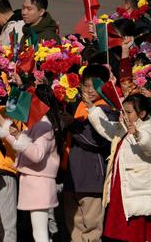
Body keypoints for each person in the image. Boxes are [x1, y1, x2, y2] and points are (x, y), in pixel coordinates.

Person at [0, 84, 62, 242]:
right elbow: (20, 144)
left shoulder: (43, 124)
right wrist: (3, 122)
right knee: (38, 232)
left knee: (40, 233)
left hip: (39, 183)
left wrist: (18, 136)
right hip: (34, 182)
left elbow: (36, 155)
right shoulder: (38, 123)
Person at [63, 64, 119, 242]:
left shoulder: (108, 110)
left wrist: (73, 124)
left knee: (92, 229)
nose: (90, 90)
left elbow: (96, 141)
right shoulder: (77, 106)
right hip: (73, 177)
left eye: (95, 85)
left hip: (92, 177)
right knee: (74, 228)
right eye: (86, 85)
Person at [87, 93, 151, 242]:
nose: (124, 115)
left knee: (136, 235)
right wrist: (91, 108)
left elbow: (148, 144)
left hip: (136, 191)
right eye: (123, 111)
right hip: (121, 189)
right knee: (120, 235)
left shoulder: (147, 127)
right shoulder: (124, 127)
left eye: (129, 112)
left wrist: (137, 134)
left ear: (142, 113)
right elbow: (108, 129)